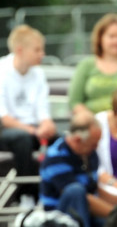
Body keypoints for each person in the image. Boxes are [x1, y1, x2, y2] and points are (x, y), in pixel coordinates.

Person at [0, 25, 57, 203]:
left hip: (31, 130)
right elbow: (4, 118)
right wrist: (33, 131)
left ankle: (54, 190)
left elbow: (42, 111)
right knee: (22, 139)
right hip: (6, 132)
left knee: (61, 140)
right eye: (37, 49)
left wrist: (47, 125)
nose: (42, 54)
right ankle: (27, 195)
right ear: (20, 50)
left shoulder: (38, 74)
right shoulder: (1, 71)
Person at [40, 112, 114, 227]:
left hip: (87, 211)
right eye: (93, 144)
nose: (97, 147)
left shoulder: (90, 153)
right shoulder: (56, 156)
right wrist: (116, 213)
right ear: (77, 140)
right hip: (58, 216)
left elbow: (95, 188)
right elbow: (82, 197)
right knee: (76, 191)